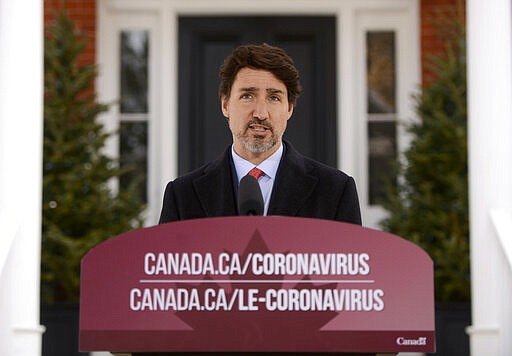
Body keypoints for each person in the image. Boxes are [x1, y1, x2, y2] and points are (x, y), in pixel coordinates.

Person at [159, 43, 361, 225]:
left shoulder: (336, 191)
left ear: (289, 108)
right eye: (247, 96)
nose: (260, 113)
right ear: (225, 105)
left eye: (274, 98)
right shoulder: (182, 196)